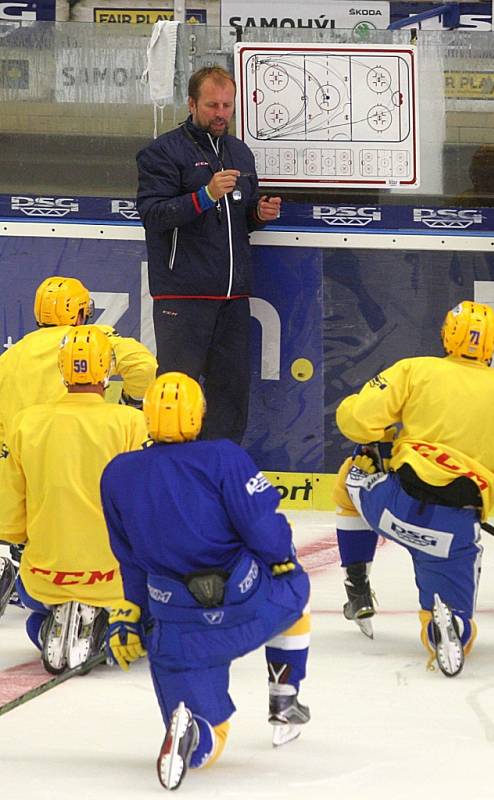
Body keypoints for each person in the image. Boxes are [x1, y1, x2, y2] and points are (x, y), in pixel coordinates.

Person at [100, 372, 310, 791]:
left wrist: (130, 617)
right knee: (293, 596)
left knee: (209, 740)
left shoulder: (118, 473)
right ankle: (284, 701)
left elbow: (131, 560)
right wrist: (282, 560)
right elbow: (262, 526)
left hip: (178, 625)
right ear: (198, 416)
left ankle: (193, 731)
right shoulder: (223, 456)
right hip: (244, 604)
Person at [333, 301, 494, 678]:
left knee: (353, 472)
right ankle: (447, 626)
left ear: (446, 334)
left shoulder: (416, 369)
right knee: (454, 618)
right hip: (451, 530)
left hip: (393, 506)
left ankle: (357, 583)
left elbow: (356, 421)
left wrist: (377, 436)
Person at [136, 65, 281, 444]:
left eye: (227, 106)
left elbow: (237, 220)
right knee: (176, 395)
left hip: (232, 297)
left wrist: (257, 214)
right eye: (212, 104)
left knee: (231, 395)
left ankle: (219, 473)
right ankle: (170, 475)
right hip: (183, 296)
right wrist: (206, 195)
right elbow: (153, 216)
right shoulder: (162, 152)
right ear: (191, 104)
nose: (220, 113)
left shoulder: (239, 152)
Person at [0, 275, 157, 616]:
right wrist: (131, 401)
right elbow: (144, 365)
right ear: (81, 312)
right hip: (78, 452)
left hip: (22, 457)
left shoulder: (11, 356)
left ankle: (13, 553)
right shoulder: (90, 342)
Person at [0, 326, 149, 672]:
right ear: (106, 369)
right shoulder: (130, 423)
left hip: (42, 578)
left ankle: (53, 622)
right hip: (113, 580)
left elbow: (9, 509)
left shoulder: (27, 423)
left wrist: (15, 536)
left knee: (34, 621)